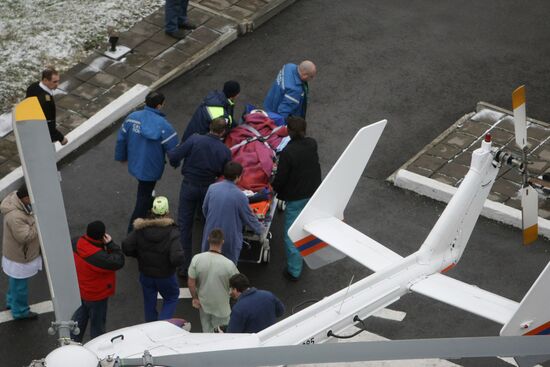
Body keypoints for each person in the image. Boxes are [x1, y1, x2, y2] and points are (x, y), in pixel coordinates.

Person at [167, 118, 231, 278]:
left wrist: (175, 162)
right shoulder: (225, 151)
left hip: (189, 185)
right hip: (209, 188)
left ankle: (183, 267)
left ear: (210, 127)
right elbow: (226, 172)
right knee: (208, 223)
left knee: (184, 225)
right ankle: (206, 265)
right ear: (223, 132)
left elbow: (175, 155)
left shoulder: (195, 139)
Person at [115, 91, 179, 233]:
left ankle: (149, 207)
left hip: (135, 164)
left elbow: (121, 140)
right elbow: (173, 150)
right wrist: (175, 163)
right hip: (152, 168)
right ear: (159, 106)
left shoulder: (132, 118)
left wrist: (121, 157)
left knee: (145, 191)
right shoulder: (164, 126)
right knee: (142, 198)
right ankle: (132, 231)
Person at [272, 117, 321, 281]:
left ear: (289, 132)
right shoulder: (312, 144)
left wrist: (273, 189)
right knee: (308, 227)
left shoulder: (287, 152)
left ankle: (294, 271)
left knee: (291, 234)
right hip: (313, 194)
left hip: (296, 198)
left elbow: (281, 178)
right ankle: (308, 255)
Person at [122, 196, 184, 322]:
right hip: (166, 275)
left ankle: (150, 327)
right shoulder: (172, 232)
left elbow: (126, 245)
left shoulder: (141, 229)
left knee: (149, 303)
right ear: (167, 212)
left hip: (146, 275)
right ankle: (162, 326)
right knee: (172, 297)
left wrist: (138, 255)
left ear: (152, 211)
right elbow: (176, 258)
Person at [71, 221, 125, 342]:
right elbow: (118, 261)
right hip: (97, 295)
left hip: (82, 289)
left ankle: (72, 343)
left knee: (80, 318)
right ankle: (97, 348)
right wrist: (110, 244)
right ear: (102, 236)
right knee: (97, 326)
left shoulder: (76, 242)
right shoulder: (99, 257)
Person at [202, 161, 263, 264]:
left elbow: (205, 209)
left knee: (207, 264)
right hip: (229, 237)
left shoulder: (212, 188)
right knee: (228, 268)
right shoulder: (240, 196)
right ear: (238, 177)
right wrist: (261, 230)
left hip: (211, 233)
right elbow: (249, 218)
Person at [1, 185, 41, 320]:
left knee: (15, 282)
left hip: (15, 255)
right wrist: (37, 223)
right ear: (25, 198)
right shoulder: (15, 216)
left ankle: (11, 302)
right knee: (20, 287)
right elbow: (25, 236)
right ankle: (20, 312)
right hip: (20, 257)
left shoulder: (16, 203)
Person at [188, 229, 239, 332]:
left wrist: (195, 298)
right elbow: (237, 285)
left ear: (208, 239)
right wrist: (233, 296)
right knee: (222, 336)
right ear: (222, 242)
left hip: (204, 304)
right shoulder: (229, 264)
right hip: (222, 308)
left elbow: (191, 283)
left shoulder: (197, 259)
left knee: (207, 332)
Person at [25, 68, 68, 145]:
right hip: (41, 134)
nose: (57, 84)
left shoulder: (33, 86)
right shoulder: (46, 101)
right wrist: (61, 138)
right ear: (45, 80)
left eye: (58, 81)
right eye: (54, 82)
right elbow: (48, 125)